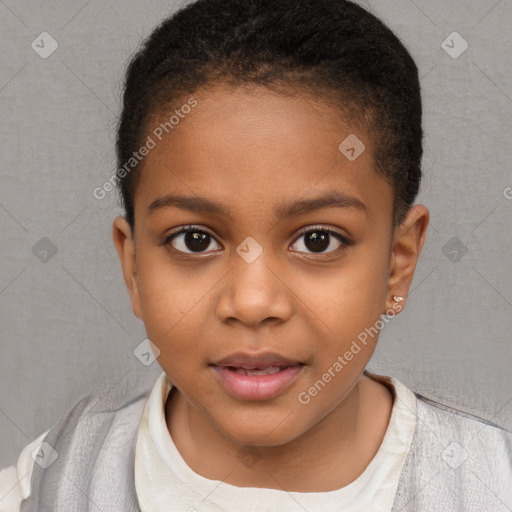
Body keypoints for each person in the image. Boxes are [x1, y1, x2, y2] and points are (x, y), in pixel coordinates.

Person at [1, 0, 511, 510]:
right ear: (133, 267)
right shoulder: (53, 482)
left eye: (317, 240)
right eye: (194, 240)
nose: (251, 303)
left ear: (398, 263)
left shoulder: (489, 483)